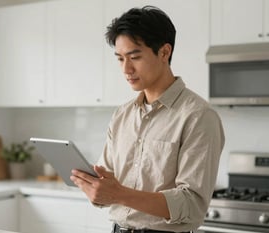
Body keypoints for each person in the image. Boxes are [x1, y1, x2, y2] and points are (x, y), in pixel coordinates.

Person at [70, 5, 225, 233]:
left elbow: (191, 204)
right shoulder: (122, 115)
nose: (126, 69)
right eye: (120, 59)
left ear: (164, 52)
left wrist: (118, 193)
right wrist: (96, 189)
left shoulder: (198, 116)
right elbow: (109, 187)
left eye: (134, 57)